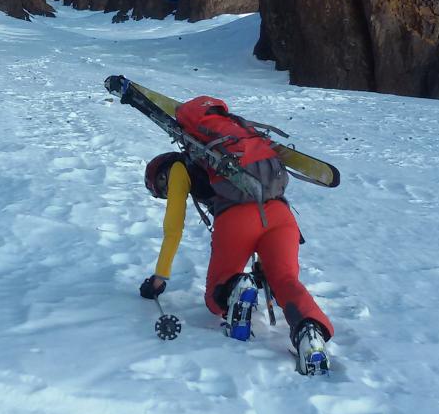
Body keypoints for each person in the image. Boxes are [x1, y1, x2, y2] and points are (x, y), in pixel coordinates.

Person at [137, 134, 334, 360]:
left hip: (236, 219)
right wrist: (262, 263)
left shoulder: (179, 169)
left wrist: (159, 278)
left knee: (216, 295)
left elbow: (173, 229)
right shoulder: (225, 157)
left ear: (160, 176)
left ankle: (235, 290)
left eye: (162, 191)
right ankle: (310, 331)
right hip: (281, 214)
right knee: (286, 280)